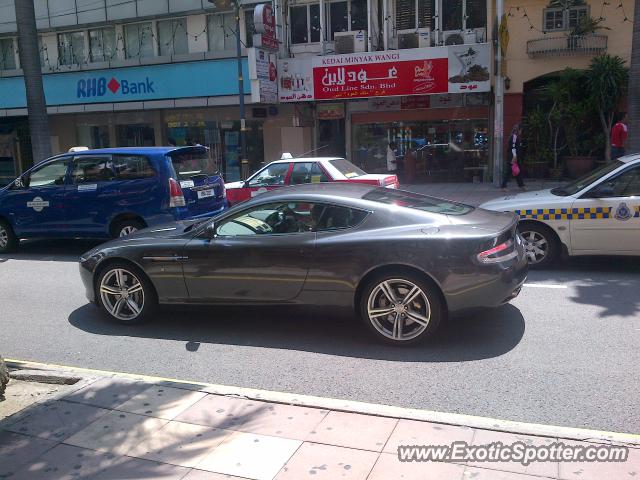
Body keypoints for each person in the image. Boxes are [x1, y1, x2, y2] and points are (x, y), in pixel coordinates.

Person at [501, 124, 525, 191]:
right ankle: (503, 186)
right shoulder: (514, 137)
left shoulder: (515, 136)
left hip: (514, 157)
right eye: (521, 130)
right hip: (512, 157)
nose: (521, 132)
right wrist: (514, 156)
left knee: (517, 171)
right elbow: (513, 147)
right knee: (509, 171)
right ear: (518, 130)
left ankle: (521, 185)